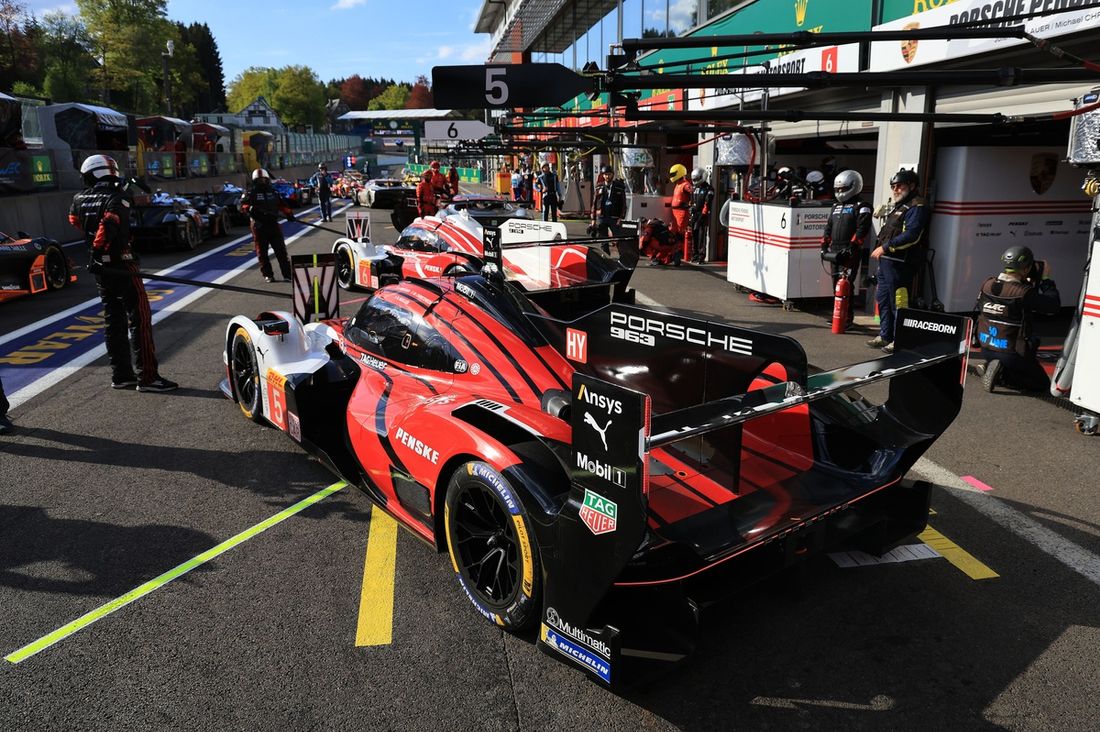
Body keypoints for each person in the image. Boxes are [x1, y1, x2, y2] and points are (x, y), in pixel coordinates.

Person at [69, 155, 177, 392]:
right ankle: (148, 378)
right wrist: (101, 248)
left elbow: (75, 221)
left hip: (101, 270)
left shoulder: (79, 198)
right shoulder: (117, 197)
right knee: (140, 320)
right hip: (123, 265)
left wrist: (95, 252)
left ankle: (121, 375)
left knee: (113, 321)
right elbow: (110, 223)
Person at [970, 246, 1061, 392]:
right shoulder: (1023, 293)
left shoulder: (987, 284)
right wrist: (1046, 280)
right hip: (1013, 353)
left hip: (986, 347)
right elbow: (1053, 306)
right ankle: (1003, 375)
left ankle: (991, 366)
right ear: (1026, 269)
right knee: (1042, 385)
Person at [868, 169, 930, 353]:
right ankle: (885, 335)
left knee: (899, 303)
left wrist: (885, 248)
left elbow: (912, 235)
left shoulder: (917, 206)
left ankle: (900, 339)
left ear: (911, 186)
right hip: (887, 263)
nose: (895, 189)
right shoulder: (899, 205)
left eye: (899, 185)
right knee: (883, 299)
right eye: (893, 186)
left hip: (901, 263)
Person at [821, 169, 872, 325]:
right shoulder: (836, 206)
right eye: (838, 189)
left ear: (854, 186)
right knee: (836, 284)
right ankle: (837, 315)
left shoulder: (862, 206)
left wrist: (852, 246)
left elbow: (862, 228)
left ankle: (847, 318)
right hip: (834, 250)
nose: (840, 192)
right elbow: (828, 226)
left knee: (847, 284)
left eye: (843, 189)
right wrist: (824, 245)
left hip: (850, 252)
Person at [240, 167, 295, 283]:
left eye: (264, 179)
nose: (262, 182)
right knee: (262, 253)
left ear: (267, 179)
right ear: (255, 181)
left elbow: (282, 204)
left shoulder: (273, 192)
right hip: (259, 226)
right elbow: (241, 206)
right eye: (259, 180)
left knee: (281, 251)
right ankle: (268, 274)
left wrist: (289, 213)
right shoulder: (250, 193)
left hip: (273, 225)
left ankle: (287, 274)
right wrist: (249, 209)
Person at [591, 171, 627, 255]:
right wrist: (593, 218)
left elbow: (623, 203)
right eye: (605, 174)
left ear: (613, 175)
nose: (607, 176)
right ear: (603, 175)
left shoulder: (619, 187)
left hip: (614, 217)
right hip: (602, 216)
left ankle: (623, 257)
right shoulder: (599, 187)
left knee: (618, 239)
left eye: (609, 174)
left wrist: (621, 217)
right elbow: (594, 203)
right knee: (603, 240)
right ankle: (605, 257)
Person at [668, 163, 693, 266]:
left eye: (673, 174)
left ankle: (678, 255)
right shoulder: (678, 184)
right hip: (675, 212)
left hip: (682, 212)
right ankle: (673, 254)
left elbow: (693, 193)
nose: (672, 176)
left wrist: (689, 204)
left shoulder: (685, 185)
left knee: (679, 234)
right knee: (673, 233)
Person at [688, 167, 713, 264]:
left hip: (702, 215)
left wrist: (703, 215)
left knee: (702, 236)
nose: (694, 181)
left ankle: (701, 256)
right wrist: (690, 208)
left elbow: (708, 203)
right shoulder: (694, 188)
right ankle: (694, 255)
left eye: (696, 179)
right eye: (693, 179)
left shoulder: (709, 189)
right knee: (694, 235)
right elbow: (692, 200)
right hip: (694, 214)